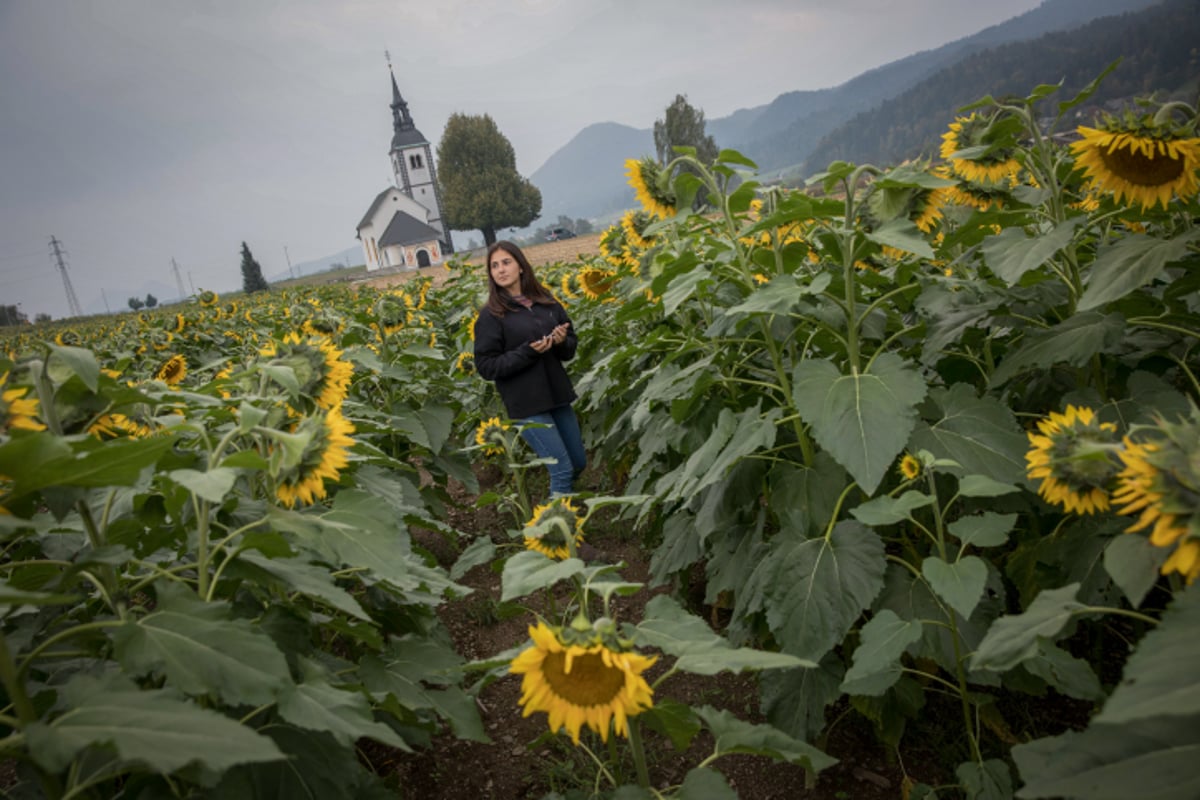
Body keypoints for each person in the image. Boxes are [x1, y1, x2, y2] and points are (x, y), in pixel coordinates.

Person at [473, 240, 586, 496]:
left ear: (521, 266)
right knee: (561, 470)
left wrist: (559, 342)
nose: (501, 270)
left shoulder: (546, 302)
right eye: (494, 266)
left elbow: (569, 348)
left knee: (578, 462)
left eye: (506, 262)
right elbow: (486, 366)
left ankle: (565, 511)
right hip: (527, 404)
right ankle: (555, 532)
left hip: (557, 395)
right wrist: (527, 352)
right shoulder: (491, 315)